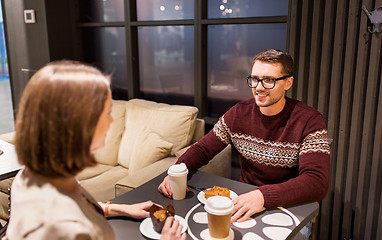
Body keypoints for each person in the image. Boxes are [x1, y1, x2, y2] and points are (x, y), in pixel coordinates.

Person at [5, 61, 186, 240]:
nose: (111, 122)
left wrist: (118, 208)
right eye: (107, 113)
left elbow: (80, 206)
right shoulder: (64, 229)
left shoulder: (32, 175)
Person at [158, 49, 330, 237]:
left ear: (288, 83)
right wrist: (178, 170)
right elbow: (203, 149)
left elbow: (317, 182)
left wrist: (263, 196)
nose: (259, 87)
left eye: (269, 80)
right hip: (245, 200)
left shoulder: (309, 120)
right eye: (255, 79)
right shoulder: (238, 114)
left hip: (291, 205)